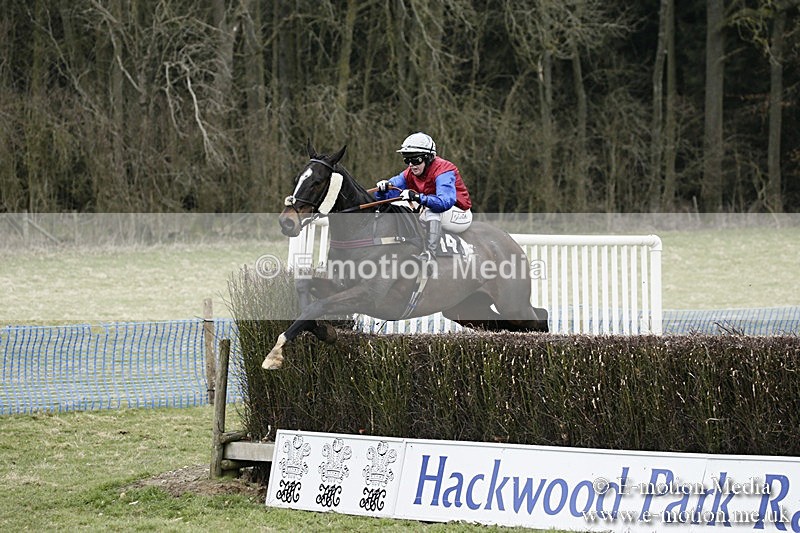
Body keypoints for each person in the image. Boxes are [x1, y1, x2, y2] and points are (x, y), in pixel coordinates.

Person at [374, 132, 473, 262]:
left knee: (431, 212)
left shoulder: (444, 170)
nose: (411, 164)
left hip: (459, 213)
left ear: (428, 158)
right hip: (434, 207)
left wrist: (417, 197)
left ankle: (430, 256)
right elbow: (387, 197)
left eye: (416, 160)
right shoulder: (410, 173)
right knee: (398, 205)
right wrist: (383, 190)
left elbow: (444, 202)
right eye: (407, 160)